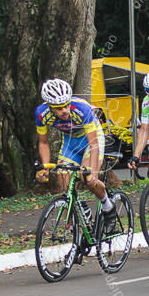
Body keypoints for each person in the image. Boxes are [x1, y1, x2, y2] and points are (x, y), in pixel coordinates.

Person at [34, 79, 119, 234]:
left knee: (87, 178)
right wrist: (45, 167)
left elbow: (93, 144)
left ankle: (108, 207)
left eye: (66, 104)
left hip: (91, 141)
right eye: (59, 108)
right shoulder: (41, 113)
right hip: (71, 143)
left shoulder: (81, 108)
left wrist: (93, 174)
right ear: (49, 106)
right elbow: (43, 142)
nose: (65, 110)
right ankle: (76, 230)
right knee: (63, 182)